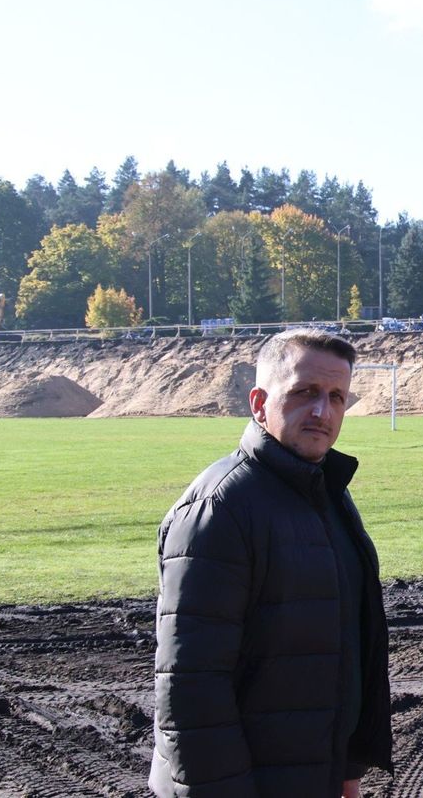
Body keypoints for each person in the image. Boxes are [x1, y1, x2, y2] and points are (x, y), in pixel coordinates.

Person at [149, 328, 392, 798]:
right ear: (259, 403)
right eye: (304, 393)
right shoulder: (220, 509)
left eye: (337, 397)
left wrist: (346, 771)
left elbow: (344, 649)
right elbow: (191, 690)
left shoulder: (328, 496)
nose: (323, 411)